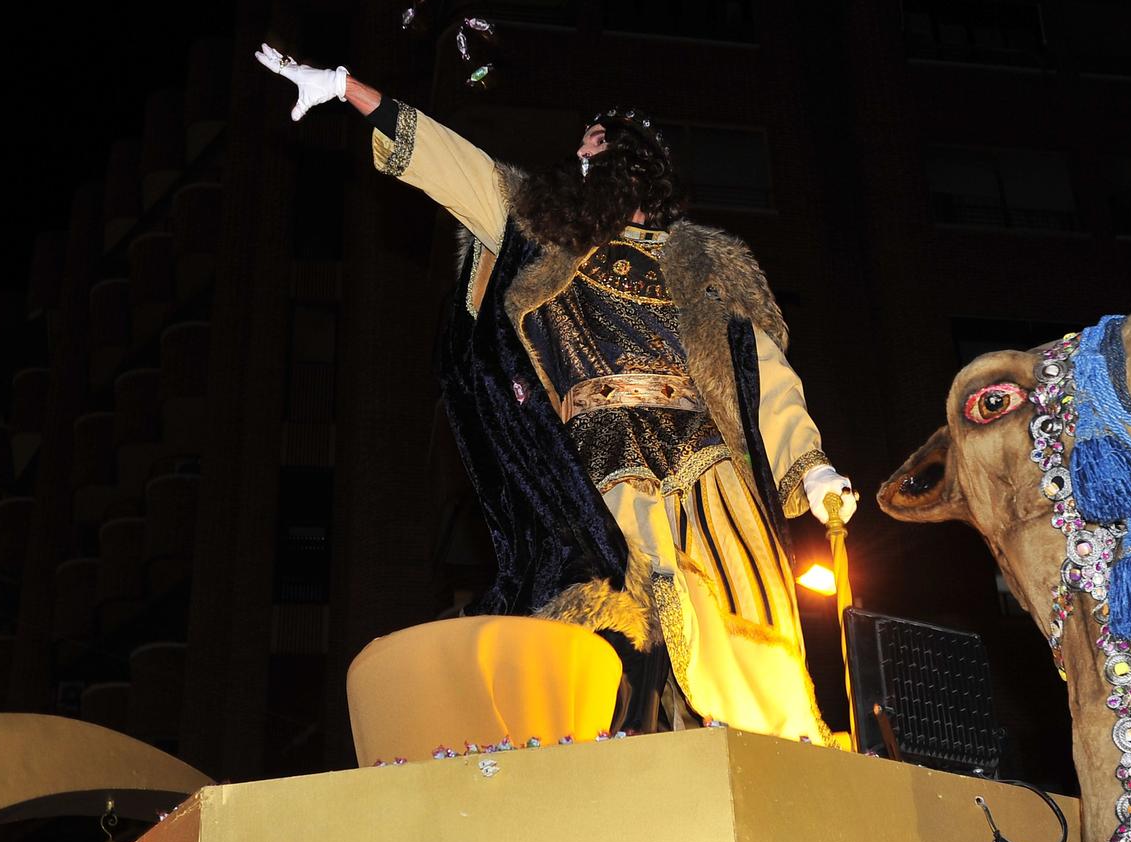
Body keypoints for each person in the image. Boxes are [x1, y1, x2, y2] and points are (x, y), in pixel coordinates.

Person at [257, 45, 857, 743]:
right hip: (590, 480)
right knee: (602, 642)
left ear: (633, 165)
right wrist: (348, 89)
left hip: (706, 478)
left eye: (594, 143)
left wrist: (808, 464)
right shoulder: (540, 235)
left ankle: (772, 767)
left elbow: (762, 371)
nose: (577, 152)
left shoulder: (703, 265)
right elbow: (458, 168)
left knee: (741, 642)